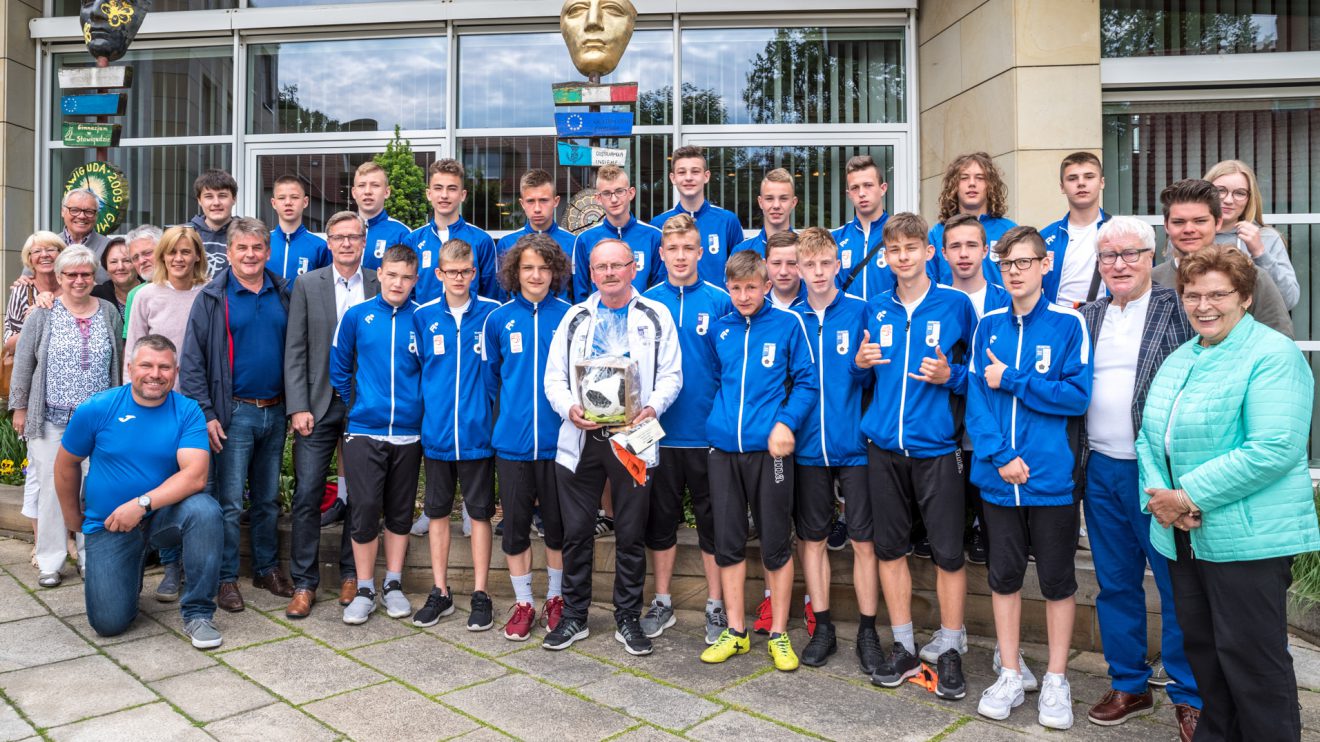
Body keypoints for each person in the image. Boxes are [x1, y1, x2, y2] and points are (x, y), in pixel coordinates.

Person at [1138, 244, 1318, 742]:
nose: (1203, 305)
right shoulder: (1182, 356)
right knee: (1205, 655)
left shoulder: (1272, 354)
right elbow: (1148, 435)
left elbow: (1274, 448)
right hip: (1184, 538)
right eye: (1192, 295)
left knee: (1253, 662)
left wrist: (1187, 496)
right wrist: (1161, 502)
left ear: (1243, 296)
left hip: (1248, 539)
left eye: (1218, 294)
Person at [1078, 216, 1201, 739]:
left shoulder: (1181, 309)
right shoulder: (1085, 316)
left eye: (1130, 254)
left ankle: (1190, 694)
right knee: (1115, 582)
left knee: (1177, 586)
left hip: (1160, 475)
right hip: (1099, 467)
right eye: (1109, 256)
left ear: (1152, 257)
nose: (1119, 264)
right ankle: (1129, 682)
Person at [966, 226, 1092, 730]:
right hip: (1000, 479)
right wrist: (999, 457)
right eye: (1007, 263)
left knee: (1059, 581)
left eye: (1024, 261)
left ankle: (1057, 678)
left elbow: (1076, 397)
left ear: (1044, 265)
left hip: (1050, 480)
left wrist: (1014, 379)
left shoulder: (1067, 325)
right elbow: (977, 398)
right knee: (1003, 578)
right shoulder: (987, 326)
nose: (1014, 271)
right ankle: (1012, 672)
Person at [851, 213, 976, 700]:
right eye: (894, 250)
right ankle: (903, 644)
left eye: (912, 248)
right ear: (885, 257)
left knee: (947, 553)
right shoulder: (875, 308)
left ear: (930, 251)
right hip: (883, 449)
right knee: (890, 549)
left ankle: (950, 648)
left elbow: (972, 374)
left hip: (938, 450)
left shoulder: (955, 305)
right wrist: (859, 367)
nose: (902, 257)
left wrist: (953, 377)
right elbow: (864, 380)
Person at [543, 238, 682, 656]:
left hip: (634, 438)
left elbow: (672, 375)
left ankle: (627, 617)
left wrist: (652, 407)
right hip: (582, 437)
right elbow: (554, 379)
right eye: (600, 267)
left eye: (616, 266)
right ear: (591, 271)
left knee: (631, 530)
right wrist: (569, 409)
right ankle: (575, 615)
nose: (608, 273)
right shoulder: (575, 317)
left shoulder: (655, 316)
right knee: (577, 530)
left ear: (633, 267)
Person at [55, 334, 222, 649]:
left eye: (164, 367)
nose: (155, 374)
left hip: (163, 517)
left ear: (175, 371)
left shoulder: (187, 411)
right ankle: (127, 578)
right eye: (146, 365)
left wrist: (141, 505)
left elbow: (195, 476)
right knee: (108, 624)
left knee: (205, 510)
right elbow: (66, 465)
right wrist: (72, 519)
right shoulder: (98, 408)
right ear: (130, 368)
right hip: (110, 523)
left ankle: (199, 613)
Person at [698, 250, 817, 672]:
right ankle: (735, 631)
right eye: (736, 288)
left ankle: (780, 633)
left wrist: (785, 423)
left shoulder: (789, 325)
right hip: (724, 452)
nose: (743, 295)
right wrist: (720, 423)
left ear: (768, 285)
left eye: (752, 287)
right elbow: (717, 379)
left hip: (771, 454)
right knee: (728, 543)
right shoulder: (720, 329)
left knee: (775, 544)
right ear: (727, 288)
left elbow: (806, 382)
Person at [180, 218, 293, 613]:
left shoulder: (283, 292)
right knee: (228, 503)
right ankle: (226, 578)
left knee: (267, 500)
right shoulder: (213, 297)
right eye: (242, 248)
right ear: (229, 253)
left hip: (276, 411)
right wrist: (207, 413)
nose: (250, 255)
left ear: (268, 251)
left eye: (257, 248)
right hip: (234, 414)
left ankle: (265, 569)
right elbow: (191, 362)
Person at [641, 214, 734, 644]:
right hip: (657, 434)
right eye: (672, 249)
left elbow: (731, 367)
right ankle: (662, 600)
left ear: (701, 252)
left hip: (707, 434)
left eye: (688, 249)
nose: (680, 256)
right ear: (661, 254)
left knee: (712, 525)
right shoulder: (646, 303)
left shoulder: (720, 301)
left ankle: (716, 605)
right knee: (660, 523)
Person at [10, 245, 124, 587]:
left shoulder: (107, 311)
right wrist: (20, 408)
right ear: (58, 278)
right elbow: (23, 365)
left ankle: (92, 559)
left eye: (85, 274)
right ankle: (51, 560)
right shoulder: (42, 314)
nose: (78, 280)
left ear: (94, 277)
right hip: (50, 420)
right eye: (70, 274)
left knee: (95, 489)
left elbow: (117, 363)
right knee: (51, 489)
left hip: (97, 423)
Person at [283, 211, 377, 619]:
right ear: (328, 241)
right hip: (317, 405)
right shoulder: (308, 284)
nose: (345, 244)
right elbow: (296, 349)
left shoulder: (379, 282)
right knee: (306, 494)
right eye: (338, 237)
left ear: (364, 240)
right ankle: (304, 583)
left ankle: (352, 575)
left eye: (353, 237)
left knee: (359, 494)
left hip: (366, 406)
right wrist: (298, 405)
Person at [483, 234, 574, 641]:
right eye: (527, 268)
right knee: (516, 528)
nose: (535, 275)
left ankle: (556, 598)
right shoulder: (499, 320)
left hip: (561, 445)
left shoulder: (572, 316)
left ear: (555, 272)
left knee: (557, 528)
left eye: (543, 267)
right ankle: (524, 603)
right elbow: (491, 381)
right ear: (514, 272)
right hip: (514, 444)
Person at [330, 245, 425, 625]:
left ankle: (394, 584)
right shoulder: (357, 316)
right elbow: (339, 366)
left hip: (409, 432)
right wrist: (357, 406)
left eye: (406, 277)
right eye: (392, 275)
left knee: (400, 512)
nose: (398, 283)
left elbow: (431, 372)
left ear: (414, 280)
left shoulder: (423, 318)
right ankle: (366, 587)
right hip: (364, 430)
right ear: (380, 274)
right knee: (365, 510)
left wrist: (417, 408)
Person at [412, 239, 502, 630]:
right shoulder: (424, 316)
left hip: (478, 433)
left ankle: (480, 593)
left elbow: (500, 374)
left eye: (466, 271)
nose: (459, 278)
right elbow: (416, 372)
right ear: (439, 274)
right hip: (437, 434)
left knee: (480, 514)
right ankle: (440, 591)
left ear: (475, 272)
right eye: (452, 272)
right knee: (436, 513)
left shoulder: (493, 315)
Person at [790, 227, 869, 670]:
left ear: (838, 265)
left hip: (855, 445)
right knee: (812, 540)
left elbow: (875, 377)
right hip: (806, 450)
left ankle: (868, 630)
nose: (818, 273)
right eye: (810, 265)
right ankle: (823, 628)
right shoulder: (790, 319)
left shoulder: (861, 311)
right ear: (798, 269)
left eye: (826, 264)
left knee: (864, 542)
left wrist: (859, 370)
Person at [939, 214, 1010, 566]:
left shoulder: (1005, 299)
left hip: (995, 412)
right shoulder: (933, 299)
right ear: (943, 253)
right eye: (955, 246)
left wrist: (955, 376)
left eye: (971, 245)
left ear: (986, 250)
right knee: (953, 475)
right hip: (946, 416)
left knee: (986, 462)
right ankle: (951, 527)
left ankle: (985, 526)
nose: (963, 253)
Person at [1151, 179, 1293, 338]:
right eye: (1178, 222)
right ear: (1166, 225)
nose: (1189, 229)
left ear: (1218, 223)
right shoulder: (1152, 280)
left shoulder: (1251, 277)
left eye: (1200, 221)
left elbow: (1280, 343)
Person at [4, 231, 65, 564]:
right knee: (40, 469)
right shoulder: (23, 290)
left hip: (67, 390)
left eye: (52, 249)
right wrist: (32, 321)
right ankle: (41, 540)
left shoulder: (72, 284)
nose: (45, 255)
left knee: (67, 468)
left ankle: (63, 537)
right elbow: (8, 342)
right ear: (29, 258)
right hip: (35, 388)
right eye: (37, 250)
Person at [1204, 159, 1300, 309]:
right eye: (1220, 190)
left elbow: (1288, 300)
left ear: (1249, 199)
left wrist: (1260, 253)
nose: (1228, 200)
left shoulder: (1267, 238)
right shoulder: (1189, 235)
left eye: (1240, 193)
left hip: (1253, 329)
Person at [404, 159, 498, 303]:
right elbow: (407, 292)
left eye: (452, 188)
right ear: (429, 194)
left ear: (463, 195)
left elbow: (491, 294)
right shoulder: (412, 240)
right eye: (438, 188)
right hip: (425, 324)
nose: (444, 195)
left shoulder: (481, 240)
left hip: (471, 324)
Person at [650, 146, 745, 287]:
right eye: (682, 172)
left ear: (706, 176)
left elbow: (740, 272)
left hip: (717, 307)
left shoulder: (727, 221)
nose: (688, 178)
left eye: (695, 172)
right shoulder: (658, 224)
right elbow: (655, 275)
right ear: (673, 178)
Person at [571, 166, 665, 299]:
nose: (614, 199)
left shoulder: (654, 236)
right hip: (600, 318)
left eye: (619, 191)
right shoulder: (584, 240)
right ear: (598, 198)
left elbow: (659, 288)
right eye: (607, 193)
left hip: (643, 318)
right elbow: (581, 294)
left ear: (631, 193)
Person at [929, 152, 1017, 284]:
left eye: (980, 178)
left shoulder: (1009, 231)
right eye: (964, 178)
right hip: (952, 305)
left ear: (990, 185)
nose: (972, 183)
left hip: (998, 304)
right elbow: (929, 285)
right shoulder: (937, 233)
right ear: (954, 186)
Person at [1041, 152, 1111, 308]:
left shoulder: (1120, 232)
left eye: (1089, 177)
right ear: (1062, 187)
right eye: (1072, 178)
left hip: (1108, 323)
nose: (1081, 183)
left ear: (1102, 182)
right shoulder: (1044, 237)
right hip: (1058, 326)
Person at [495, 169, 575, 301]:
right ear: (522, 203)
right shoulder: (507, 243)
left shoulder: (573, 242)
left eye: (543, 200)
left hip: (561, 318)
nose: (537, 209)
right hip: (519, 319)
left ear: (556, 201)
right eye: (531, 201)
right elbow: (502, 294)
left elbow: (578, 292)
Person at [831, 155, 896, 299]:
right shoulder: (835, 238)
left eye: (868, 185)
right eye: (855, 188)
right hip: (849, 320)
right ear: (849, 195)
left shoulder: (900, 234)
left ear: (883, 188)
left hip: (889, 319)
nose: (861, 193)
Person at [269, 174, 331, 283]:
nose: (288, 202)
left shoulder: (320, 246)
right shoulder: (262, 243)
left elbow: (326, 287)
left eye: (294, 197)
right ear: (274, 203)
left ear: (305, 202)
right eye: (282, 198)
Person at [352, 161, 412, 272]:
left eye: (375, 185)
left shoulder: (402, 233)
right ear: (354, 192)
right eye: (361, 185)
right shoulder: (341, 230)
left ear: (387, 192)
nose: (367, 191)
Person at [735, 168, 797, 259]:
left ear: (793, 203)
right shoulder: (741, 251)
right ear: (760, 202)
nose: (776, 205)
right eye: (769, 199)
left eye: (783, 199)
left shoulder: (807, 249)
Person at [189, 169, 238, 279]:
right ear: (199, 200)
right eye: (209, 196)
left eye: (222, 196)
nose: (216, 203)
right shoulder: (186, 233)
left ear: (234, 199)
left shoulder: (245, 233)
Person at [120, 225, 164, 339]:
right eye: (135, 258)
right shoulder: (135, 295)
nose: (141, 261)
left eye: (148, 253)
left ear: (164, 250)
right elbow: (132, 343)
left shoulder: (183, 285)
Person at [58, 189, 110, 279]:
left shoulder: (109, 248)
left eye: (89, 211)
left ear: (96, 215)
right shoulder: (47, 247)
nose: (82, 216)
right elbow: (29, 279)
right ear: (63, 211)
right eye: (74, 210)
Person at [91, 237, 140, 317]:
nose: (120, 267)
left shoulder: (151, 291)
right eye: (113, 262)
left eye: (127, 261)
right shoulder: (97, 295)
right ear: (106, 269)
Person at [765, 232, 807, 311]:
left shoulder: (816, 301)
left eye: (792, 263)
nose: (783, 272)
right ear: (765, 264)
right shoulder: (754, 302)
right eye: (776, 263)